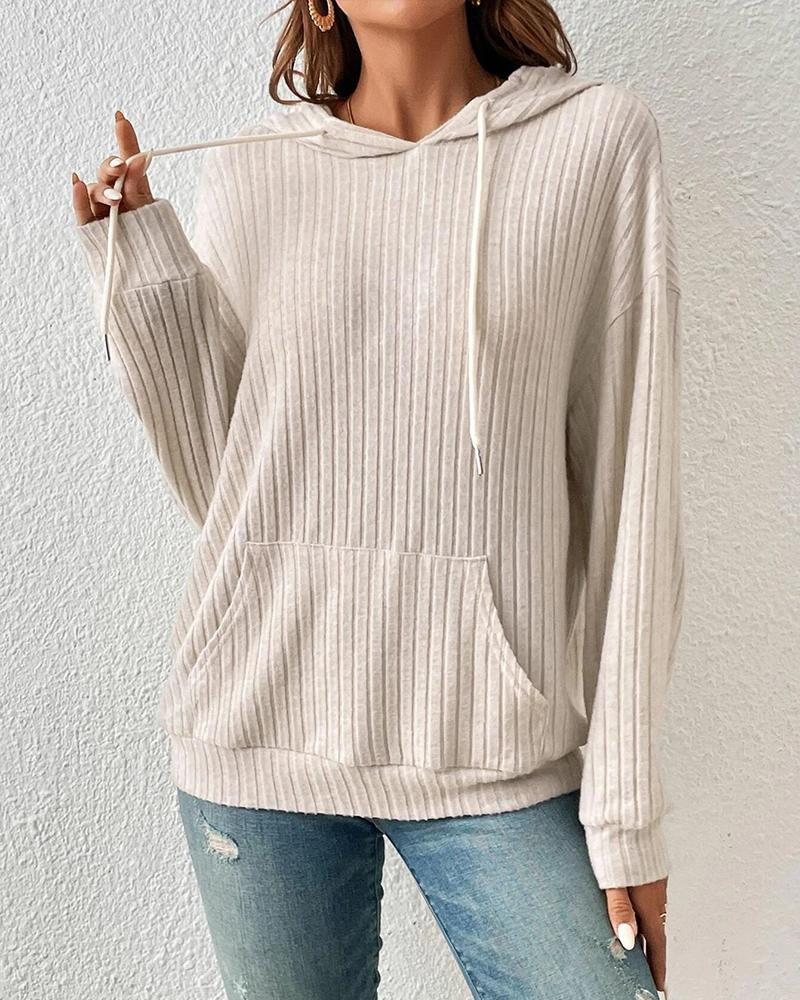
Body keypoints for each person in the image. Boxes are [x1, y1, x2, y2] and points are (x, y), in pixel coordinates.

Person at [71, 1, 684, 997]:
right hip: (256, 733)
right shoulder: (258, 169)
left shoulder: (595, 141)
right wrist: (145, 276)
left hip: (494, 746)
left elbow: (633, 491)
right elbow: (233, 492)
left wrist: (626, 814)